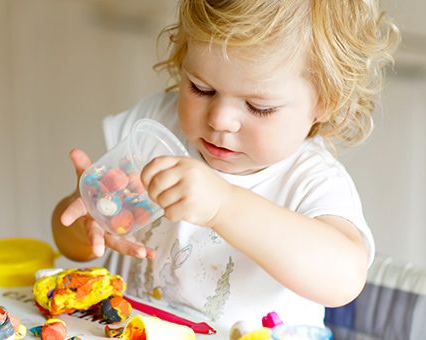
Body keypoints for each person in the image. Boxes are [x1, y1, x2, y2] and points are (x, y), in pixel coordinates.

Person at [51, 0, 399, 331]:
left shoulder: (310, 179)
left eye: (258, 107)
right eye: (201, 88)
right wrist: (85, 225)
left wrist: (225, 205)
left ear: (325, 101)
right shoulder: (153, 128)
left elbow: (344, 278)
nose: (220, 120)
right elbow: (68, 236)